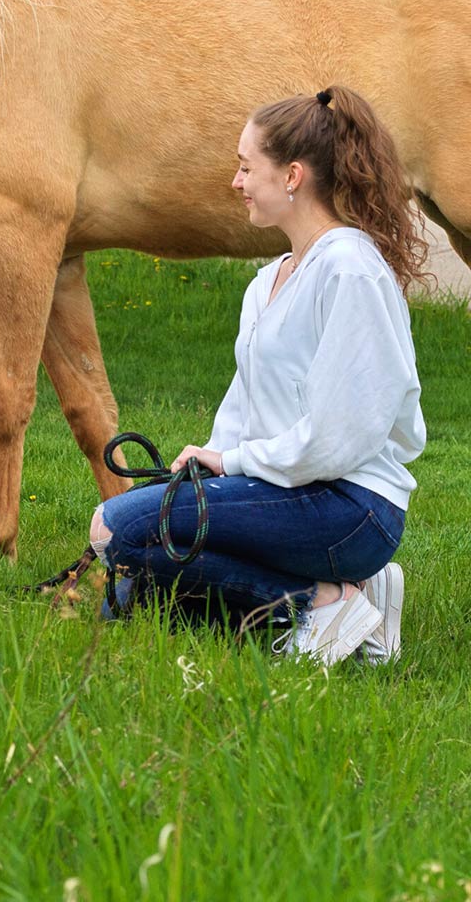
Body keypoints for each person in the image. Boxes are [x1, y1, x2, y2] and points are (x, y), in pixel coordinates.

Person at [89, 85, 428, 664]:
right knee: (132, 575)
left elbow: (338, 438)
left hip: (351, 509)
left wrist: (235, 464)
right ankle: (358, 598)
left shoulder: (350, 271)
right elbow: (244, 409)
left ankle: (324, 601)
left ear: (292, 176)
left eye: (247, 167)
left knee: (115, 528)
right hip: (289, 490)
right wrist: (207, 464)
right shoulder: (266, 282)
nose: (236, 181)